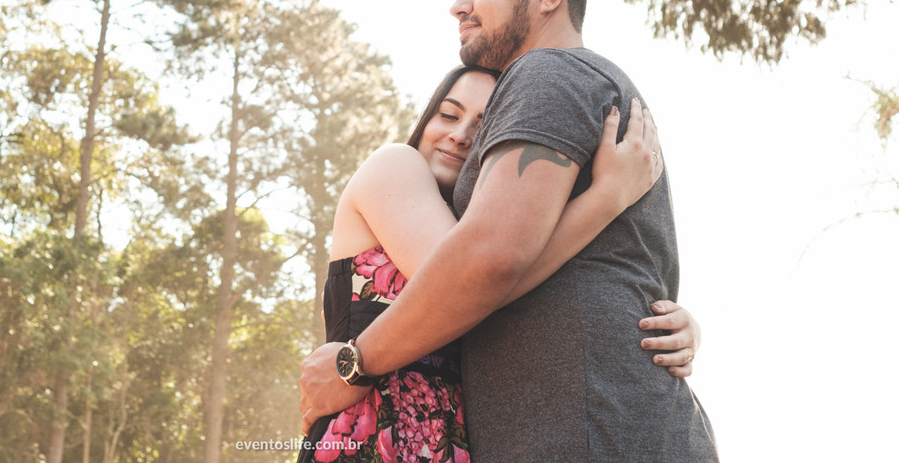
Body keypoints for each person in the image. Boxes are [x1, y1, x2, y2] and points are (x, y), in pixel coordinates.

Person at [300, 0, 718, 462]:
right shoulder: (409, 174)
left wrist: (354, 363)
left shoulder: (548, 73)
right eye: (449, 115)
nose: (457, 5)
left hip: (591, 432)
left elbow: (485, 263)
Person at [300, 64, 700, 462]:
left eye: (483, 126)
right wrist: (607, 197)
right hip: (369, 437)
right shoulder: (395, 165)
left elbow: (526, 286)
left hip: (455, 445)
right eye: (449, 115)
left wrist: (661, 319)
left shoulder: (483, 238)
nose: (460, 136)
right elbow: (466, 282)